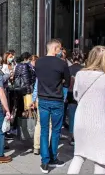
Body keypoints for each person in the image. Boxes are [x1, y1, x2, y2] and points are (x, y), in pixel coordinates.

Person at [67, 46, 105, 174]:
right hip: (101, 121)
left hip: (82, 120)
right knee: (101, 159)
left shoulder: (80, 75)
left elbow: (76, 95)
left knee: (79, 156)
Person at [35, 39, 70, 173]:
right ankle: (53, 157)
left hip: (43, 99)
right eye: (60, 48)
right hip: (56, 100)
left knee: (44, 130)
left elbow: (38, 78)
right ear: (55, 49)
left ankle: (45, 161)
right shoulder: (62, 63)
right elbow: (67, 82)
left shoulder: (38, 62)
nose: (61, 51)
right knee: (55, 130)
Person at [66, 56, 83, 146]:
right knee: (81, 116)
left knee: (72, 115)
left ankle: (72, 135)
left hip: (71, 94)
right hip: (81, 95)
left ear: (72, 60)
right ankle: (80, 135)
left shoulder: (69, 69)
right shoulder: (83, 70)